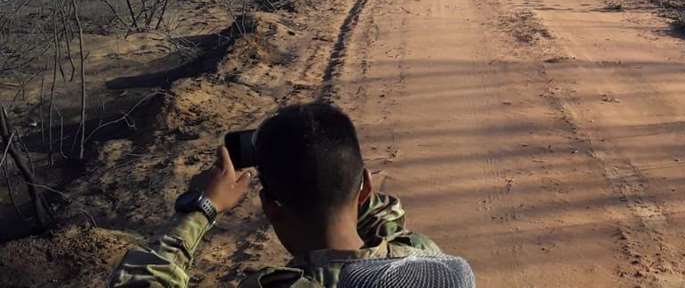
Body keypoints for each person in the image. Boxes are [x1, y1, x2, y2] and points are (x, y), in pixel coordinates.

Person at [109, 103, 474, 287]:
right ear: (365, 188)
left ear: (270, 206)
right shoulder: (438, 267)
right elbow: (385, 228)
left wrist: (202, 207)